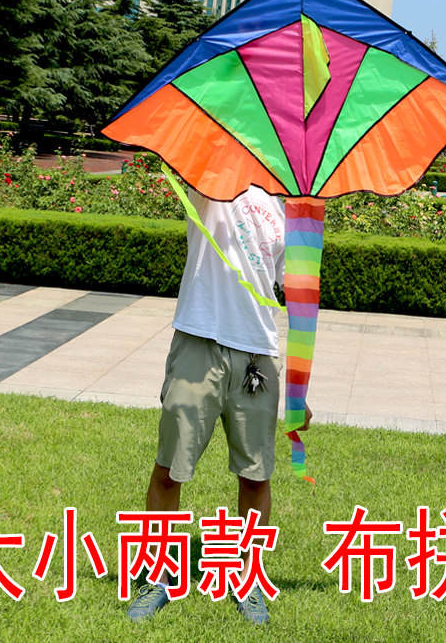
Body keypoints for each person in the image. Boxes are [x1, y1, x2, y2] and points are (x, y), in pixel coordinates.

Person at [127, 186, 311, 625]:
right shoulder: (209, 181)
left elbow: (296, 295)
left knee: (256, 474)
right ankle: (157, 576)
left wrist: (300, 388)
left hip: (257, 355)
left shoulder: (289, 204)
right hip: (198, 342)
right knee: (170, 467)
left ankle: (249, 579)